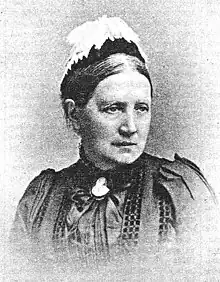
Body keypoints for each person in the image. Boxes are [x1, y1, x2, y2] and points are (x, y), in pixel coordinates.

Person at [10, 16, 219, 267]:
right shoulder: (41, 200)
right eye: (113, 108)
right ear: (74, 115)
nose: (130, 127)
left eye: (141, 108)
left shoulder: (178, 192)